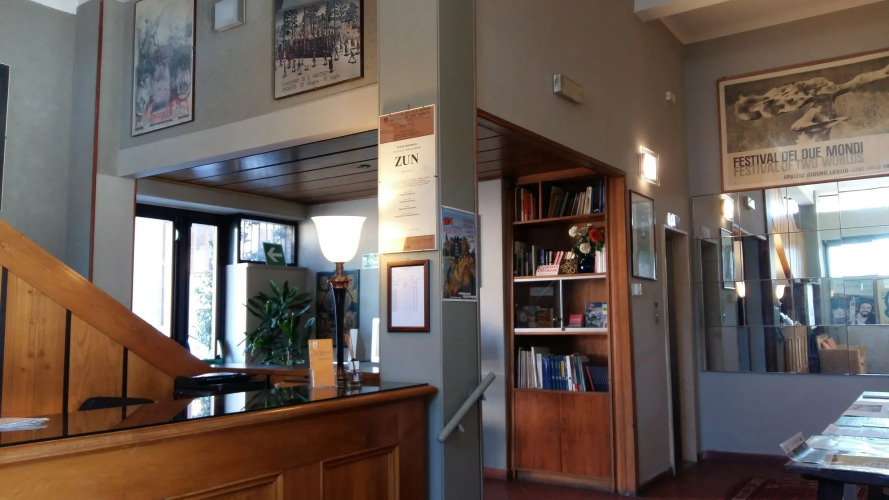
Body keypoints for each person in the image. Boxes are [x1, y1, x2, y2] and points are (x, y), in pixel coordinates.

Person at [734, 62, 889, 142]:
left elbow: (796, 92)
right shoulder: (768, 107)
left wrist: (812, 88)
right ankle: (882, 73)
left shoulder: (770, 100)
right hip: (817, 95)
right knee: (848, 86)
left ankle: (882, 73)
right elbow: (796, 96)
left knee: (848, 86)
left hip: (818, 94)